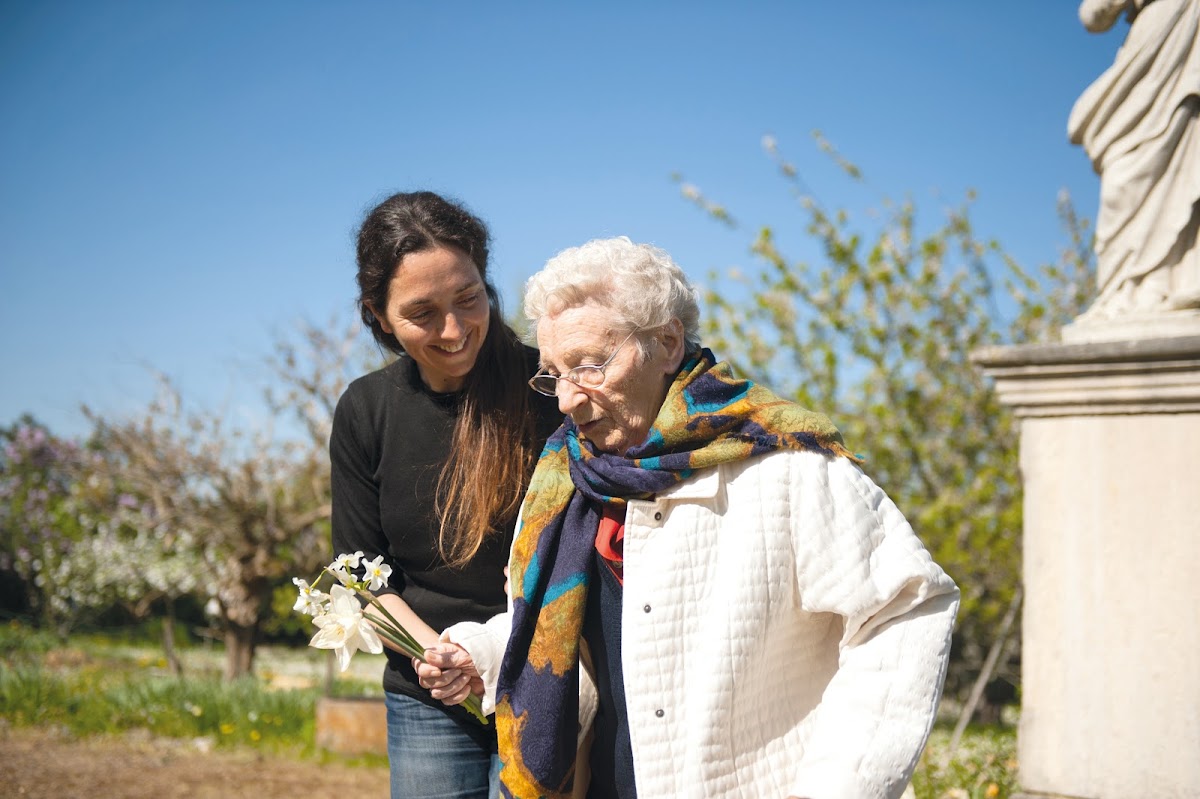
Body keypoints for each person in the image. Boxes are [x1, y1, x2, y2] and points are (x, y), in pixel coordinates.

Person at [416, 237, 960, 799]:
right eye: (554, 373)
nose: (567, 401)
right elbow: (577, 633)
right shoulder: (570, 478)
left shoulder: (787, 467)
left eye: (589, 366)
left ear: (668, 342)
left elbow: (906, 607)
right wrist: (479, 651)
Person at [331, 191, 561, 799]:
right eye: (422, 313)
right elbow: (360, 577)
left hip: (549, 678)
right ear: (379, 315)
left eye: (468, 298)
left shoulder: (552, 391)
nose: (455, 330)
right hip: (429, 692)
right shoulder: (366, 410)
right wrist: (442, 658)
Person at [1069, 0, 1200, 316]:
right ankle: (1124, 290)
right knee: (1124, 178)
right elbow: (1094, 16)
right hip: (1155, 52)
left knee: (1188, 162)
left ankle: (1178, 281)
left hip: (1189, 47)